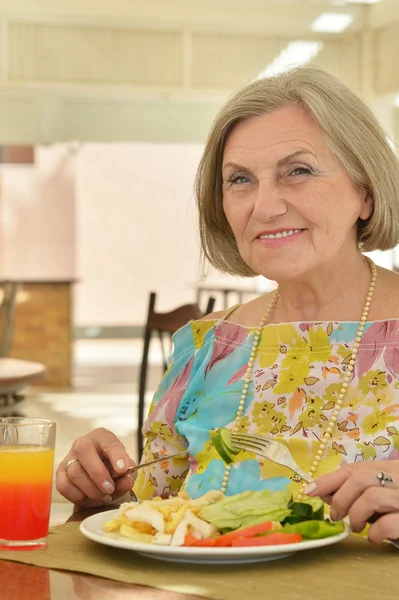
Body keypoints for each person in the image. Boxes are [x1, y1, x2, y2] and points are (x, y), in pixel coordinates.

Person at [57, 66, 399, 544]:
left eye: (297, 171)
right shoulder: (206, 350)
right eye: (239, 180)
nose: (264, 206)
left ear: (365, 191)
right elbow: (153, 519)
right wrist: (99, 495)